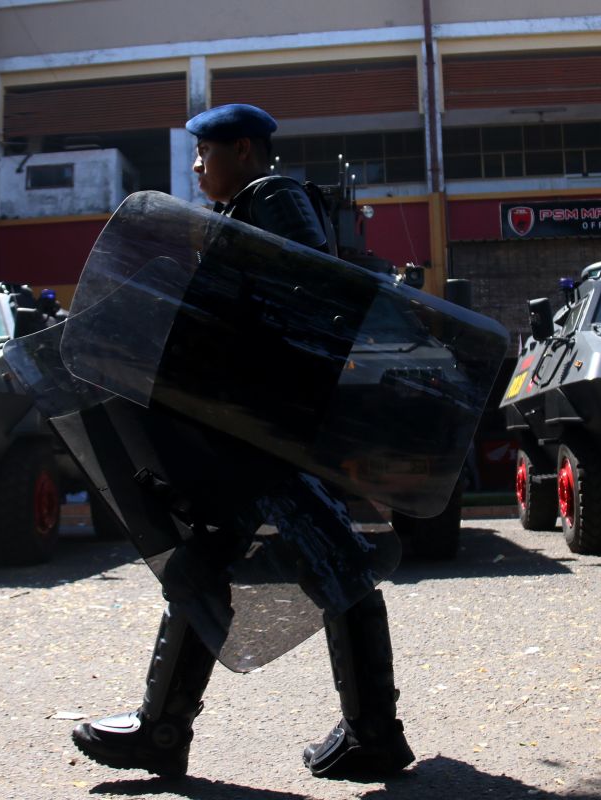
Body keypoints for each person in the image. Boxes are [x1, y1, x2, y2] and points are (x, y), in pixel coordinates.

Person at [70, 104, 415, 780]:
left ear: (248, 151)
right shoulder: (246, 210)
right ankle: (162, 731)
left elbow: (305, 293)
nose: (197, 166)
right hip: (247, 426)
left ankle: (371, 732)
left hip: (264, 431)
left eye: (208, 152)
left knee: (335, 564)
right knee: (206, 564)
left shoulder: (274, 198)